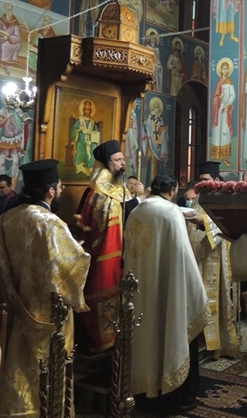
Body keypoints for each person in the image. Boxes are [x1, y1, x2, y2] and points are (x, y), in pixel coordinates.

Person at [0, 159, 90, 417]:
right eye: (59, 186)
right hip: (44, 317)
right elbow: (67, 270)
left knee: (14, 369)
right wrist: (78, 252)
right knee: (42, 373)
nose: (61, 190)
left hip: (10, 311)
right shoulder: (50, 223)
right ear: (51, 191)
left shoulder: (5, 219)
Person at [125, 174, 210, 415]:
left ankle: (144, 394)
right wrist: (197, 291)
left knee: (145, 339)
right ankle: (175, 397)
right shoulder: (171, 212)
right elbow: (183, 257)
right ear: (172, 191)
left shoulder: (136, 212)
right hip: (166, 288)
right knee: (170, 330)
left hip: (140, 290)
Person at [76, 140, 142, 351]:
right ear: (106, 163)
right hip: (103, 253)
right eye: (117, 160)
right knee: (103, 286)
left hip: (123, 251)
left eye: (123, 159)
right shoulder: (97, 190)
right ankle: (102, 340)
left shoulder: (118, 187)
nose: (123, 164)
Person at [186, 161, 239, 358]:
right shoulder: (198, 199)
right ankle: (201, 342)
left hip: (216, 257)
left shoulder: (225, 198)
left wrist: (202, 222)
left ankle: (219, 345)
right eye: (200, 180)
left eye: (206, 179)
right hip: (198, 256)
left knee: (216, 300)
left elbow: (226, 224)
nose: (202, 184)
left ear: (216, 179)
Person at [211, 59, 236, 167]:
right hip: (218, 109)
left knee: (225, 132)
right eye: (223, 68)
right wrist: (219, 97)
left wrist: (227, 105)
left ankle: (224, 157)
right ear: (221, 70)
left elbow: (233, 95)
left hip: (226, 109)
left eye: (226, 68)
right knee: (217, 131)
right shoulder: (219, 82)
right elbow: (216, 96)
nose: (225, 70)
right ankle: (215, 155)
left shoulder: (229, 82)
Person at [70, 98, 100, 176]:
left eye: (88, 110)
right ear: (83, 110)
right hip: (81, 139)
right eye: (86, 109)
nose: (87, 111)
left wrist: (97, 140)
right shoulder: (80, 120)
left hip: (91, 140)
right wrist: (78, 130)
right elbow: (73, 130)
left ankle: (90, 168)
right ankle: (80, 168)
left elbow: (97, 132)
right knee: (79, 146)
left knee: (94, 147)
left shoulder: (92, 121)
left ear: (91, 111)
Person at [0, 3, 22, 75]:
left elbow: (18, 38)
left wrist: (8, 38)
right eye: (7, 10)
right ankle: (0, 62)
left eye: (10, 10)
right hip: (5, 38)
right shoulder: (3, 18)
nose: (9, 11)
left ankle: (5, 66)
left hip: (14, 42)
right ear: (5, 10)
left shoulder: (15, 22)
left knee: (4, 46)